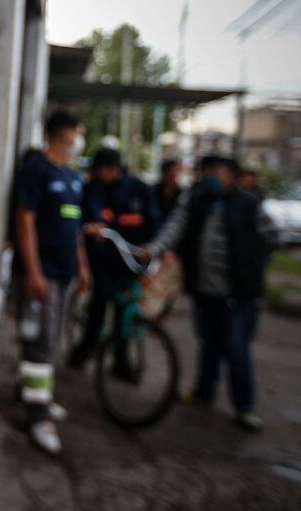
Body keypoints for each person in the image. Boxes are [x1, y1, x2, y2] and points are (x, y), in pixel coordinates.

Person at [142, 155, 279, 431]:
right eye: (208, 171)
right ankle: (204, 394)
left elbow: (273, 238)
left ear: (233, 175)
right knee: (208, 345)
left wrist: (253, 269)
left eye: (218, 171)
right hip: (205, 292)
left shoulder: (249, 204)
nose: (212, 176)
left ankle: (245, 407)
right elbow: (175, 228)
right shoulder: (196, 200)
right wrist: (152, 248)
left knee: (237, 351)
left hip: (238, 295)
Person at [12, 111, 91, 455]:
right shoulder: (36, 171)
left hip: (65, 274)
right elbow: (25, 222)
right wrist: (33, 271)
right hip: (41, 274)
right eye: (79, 131)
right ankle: (38, 416)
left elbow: (75, 229)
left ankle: (36, 392)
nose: (80, 137)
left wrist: (83, 266)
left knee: (53, 339)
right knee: (40, 344)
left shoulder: (73, 177)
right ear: (64, 132)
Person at [68, 147, 159, 373]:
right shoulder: (94, 189)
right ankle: (85, 349)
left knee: (124, 313)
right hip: (102, 262)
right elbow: (88, 213)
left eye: (101, 170)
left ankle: (121, 360)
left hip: (129, 264)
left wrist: (151, 248)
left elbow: (153, 223)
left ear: (115, 169)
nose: (98, 175)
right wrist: (94, 226)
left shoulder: (140, 189)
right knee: (98, 306)